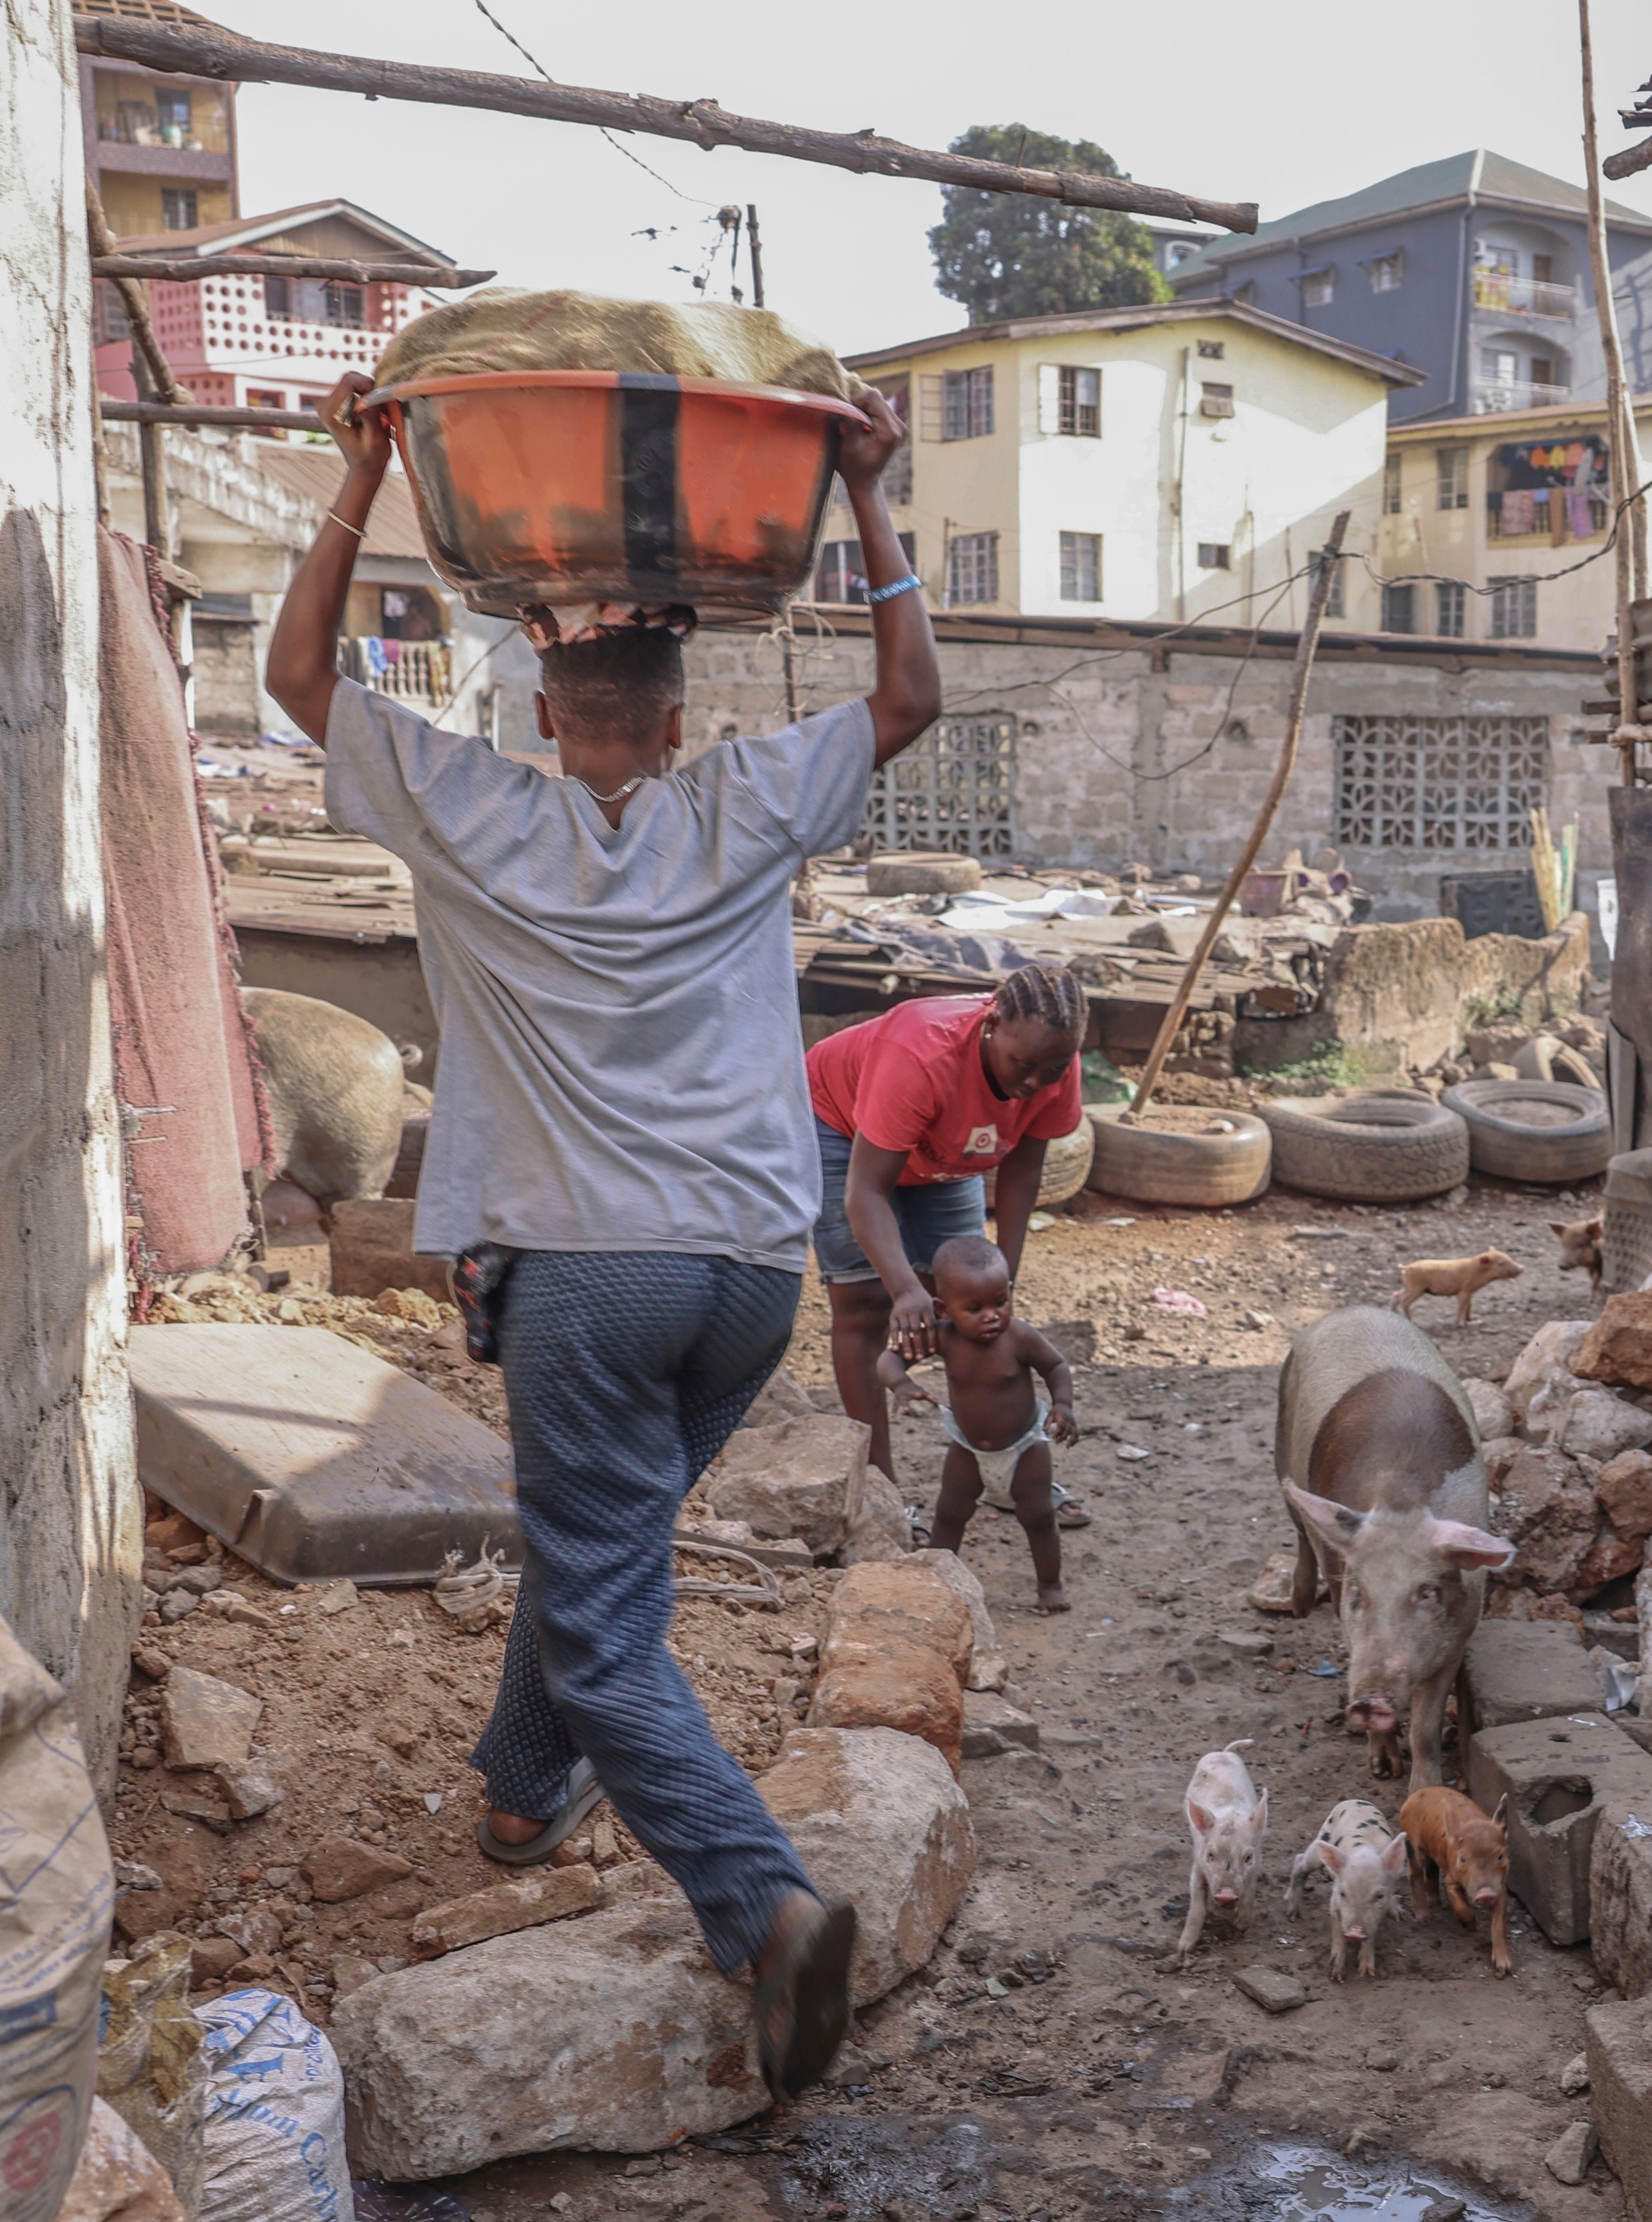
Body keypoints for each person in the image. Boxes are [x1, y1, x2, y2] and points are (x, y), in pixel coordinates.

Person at [264, 364, 941, 2097]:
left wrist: (360, 474)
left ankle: (765, 1901)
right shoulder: (743, 804)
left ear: (551, 714)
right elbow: (907, 694)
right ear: (677, 713)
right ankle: (518, 1784)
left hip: (586, 1276)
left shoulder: (478, 812)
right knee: (603, 1550)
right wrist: (862, 486)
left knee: (606, 1620)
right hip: (750, 1274)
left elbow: (293, 678)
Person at [805, 967, 1091, 1524]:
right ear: (993, 1023)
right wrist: (904, 1287)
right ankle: (882, 1497)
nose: (1035, 1083)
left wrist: (1003, 1274)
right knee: (866, 1304)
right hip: (839, 1126)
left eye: (1051, 1069)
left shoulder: (1058, 1062)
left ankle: (1010, 1473)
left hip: (949, 1145)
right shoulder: (920, 1052)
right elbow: (866, 1191)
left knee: (973, 1304)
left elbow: (1024, 1166)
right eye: (1023, 1065)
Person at [880, 1235, 1081, 1613]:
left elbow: (1055, 1366)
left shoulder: (1019, 1336)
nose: (992, 1315)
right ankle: (936, 1579)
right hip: (968, 1448)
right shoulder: (943, 1337)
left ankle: (1050, 1586)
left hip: (1024, 1445)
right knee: (951, 1512)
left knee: (1037, 1516)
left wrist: (1064, 1405)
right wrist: (902, 1384)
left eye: (1000, 1302)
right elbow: (889, 1360)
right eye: (974, 1308)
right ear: (943, 1307)